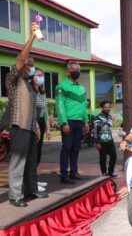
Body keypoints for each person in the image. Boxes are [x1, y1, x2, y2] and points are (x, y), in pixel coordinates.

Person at [6, 23, 48, 207]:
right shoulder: (12, 78)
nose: (31, 68)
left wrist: (37, 127)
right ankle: (15, 195)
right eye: (28, 65)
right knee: (18, 160)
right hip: (19, 127)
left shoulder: (30, 86)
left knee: (31, 161)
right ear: (21, 65)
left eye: (32, 65)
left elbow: (32, 110)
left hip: (29, 127)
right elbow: (23, 56)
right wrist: (32, 37)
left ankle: (31, 189)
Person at [56, 61, 89, 184]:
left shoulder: (81, 88)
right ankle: (64, 175)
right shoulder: (62, 86)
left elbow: (84, 106)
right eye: (75, 69)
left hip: (79, 122)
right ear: (68, 72)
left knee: (76, 148)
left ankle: (74, 172)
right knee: (67, 148)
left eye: (79, 69)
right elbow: (60, 105)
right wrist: (64, 122)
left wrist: (86, 121)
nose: (77, 71)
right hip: (68, 121)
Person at [31, 68, 51, 192]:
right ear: (32, 77)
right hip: (34, 122)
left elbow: (46, 111)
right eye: (38, 75)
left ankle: (34, 180)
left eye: (42, 75)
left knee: (38, 154)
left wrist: (48, 128)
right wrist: (36, 125)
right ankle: (31, 182)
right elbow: (31, 111)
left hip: (42, 122)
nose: (41, 77)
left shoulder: (42, 93)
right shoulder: (30, 92)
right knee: (32, 154)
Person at [94, 101, 118, 178]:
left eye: (108, 107)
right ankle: (104, 173)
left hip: (110, 141)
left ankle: (110, 172)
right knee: (103, 158)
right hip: (101, 141)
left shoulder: (110, 117)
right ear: (102, 108)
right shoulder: (98, 118)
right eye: (105, 107)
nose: (107, 109)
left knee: (113, 156)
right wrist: (97, 142)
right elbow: (95, 131)